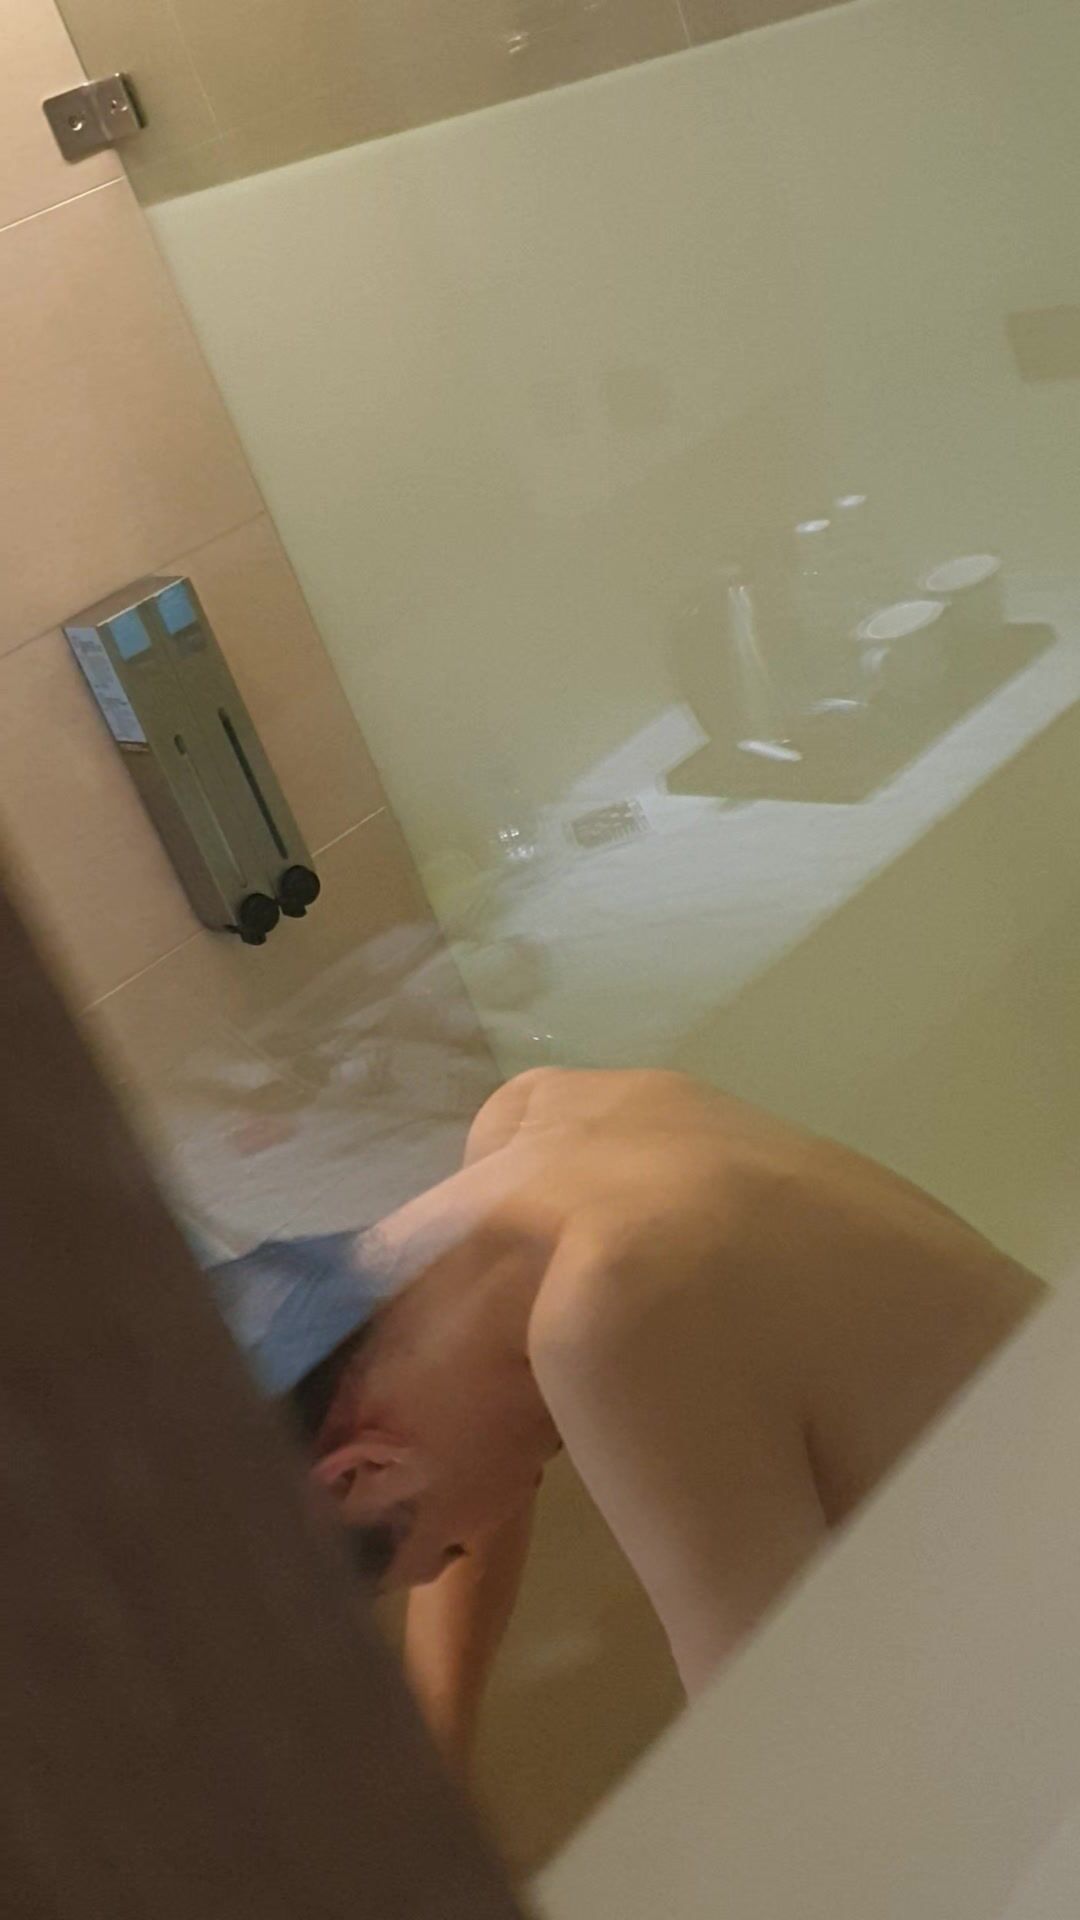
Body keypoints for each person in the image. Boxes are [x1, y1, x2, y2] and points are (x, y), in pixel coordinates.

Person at [209, 1068, 1045, 1769]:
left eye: (443, 1549)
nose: (469, 1543)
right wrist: (437, 1750)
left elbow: (777, 1743)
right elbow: (475, 1499)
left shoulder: (609, 1311)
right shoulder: (529, 1124)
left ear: (365, 1468)